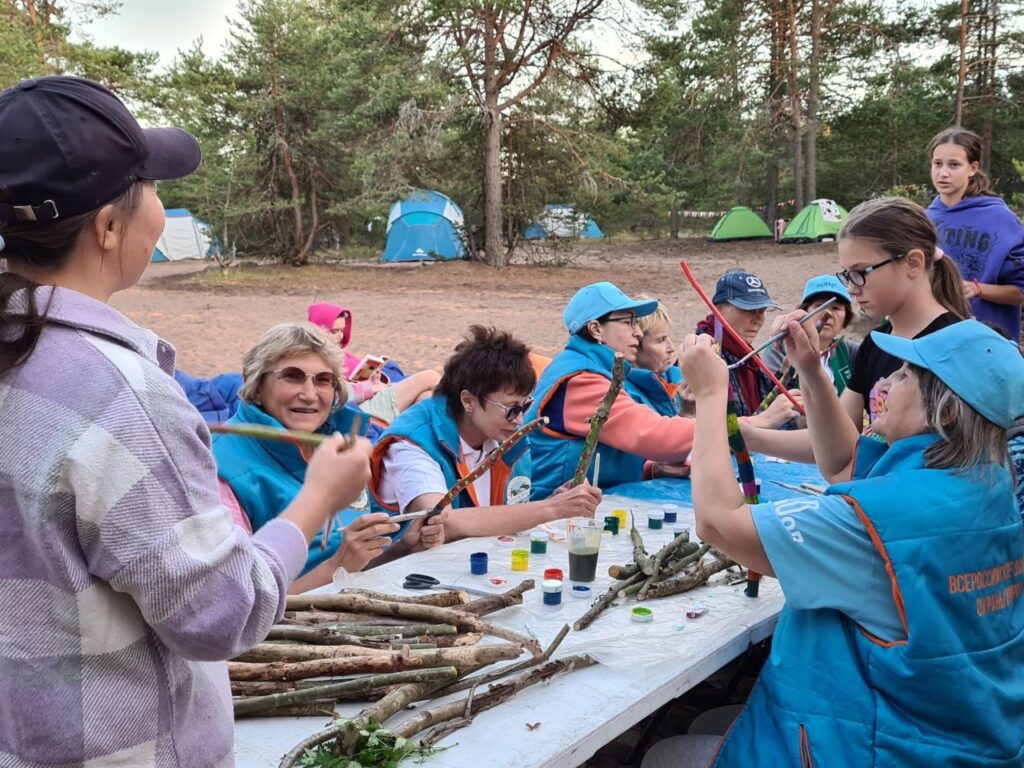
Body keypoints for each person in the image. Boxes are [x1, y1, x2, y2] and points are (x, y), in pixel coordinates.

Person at [0, 76, 373, 766]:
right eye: (152, 185)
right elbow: (219, 615)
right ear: (110, 226)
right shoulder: (120, 395)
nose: (162, 206)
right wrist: (318, 498)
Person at [654, 319, 1024, 767]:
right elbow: (844, 464)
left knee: (666, 753)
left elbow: (717, 524)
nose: (885, 382)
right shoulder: (988, 482)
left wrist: (711, 397)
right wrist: (810, 369)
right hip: (962, 731)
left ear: (944, 412)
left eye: (905, 375)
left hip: (883, 746)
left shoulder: (881, 519)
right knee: (709, 722)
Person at [213, 322, 444, 589]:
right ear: (256, 383)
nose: (310, 395)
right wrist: (337, 566)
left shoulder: (336, 446)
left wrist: (400, 546)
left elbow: (349, 561)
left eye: (323, 380)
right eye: (292, 376)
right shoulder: (220, 467)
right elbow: (236, 607)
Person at [743, 197, 971, 462]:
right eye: (847, 274)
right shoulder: (875, 344)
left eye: (861, 271)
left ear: (913, 263)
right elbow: (838, 443)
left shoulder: (959, 346)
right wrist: (744, 435)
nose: (851, 288)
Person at [370, 325, 602, 538]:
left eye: (525, 406)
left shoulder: (505, 437)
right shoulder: (412, 445)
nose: (520, 419)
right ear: (468, 401)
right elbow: (440, 523)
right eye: (511, 409)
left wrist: (555, 501)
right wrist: (550, 509)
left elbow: (500, 515)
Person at [526, 282, 698, 498]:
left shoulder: (596, 368)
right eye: (628, 322)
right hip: (548, 515)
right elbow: (653, 435)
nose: (637, 333)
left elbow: (601, 456)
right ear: (596, 329)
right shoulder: (581, 381)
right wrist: (735, 429)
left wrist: (650, 469)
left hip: (574, 503)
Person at [927, 127, 1024, 341]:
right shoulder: (925, 218)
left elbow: (1019, 293)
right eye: (937, 163)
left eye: (954, 165)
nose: (943, 173)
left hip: (989, 344)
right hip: (935, 341)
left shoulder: (1001, 220)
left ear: (972, 168)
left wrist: (977, 289)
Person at [695, 270, 801, 427]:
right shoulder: (703, 355)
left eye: (762, 311)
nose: (757, 320)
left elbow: (763, 404)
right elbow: (716, 427)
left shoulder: (745, 353)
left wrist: (788, 375)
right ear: (719, 309)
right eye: (748, 309)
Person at [308, 302, 440, 425]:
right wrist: (371, 388)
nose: (340, 336)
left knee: (427, 397)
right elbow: (334, 395)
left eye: (342, 330)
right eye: (334, 331)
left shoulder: (336, 354)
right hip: (360, 412)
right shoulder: (315, 360)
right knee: (430, 376)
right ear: (318, 330)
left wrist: (373, 380)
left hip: (365, 401)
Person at [763, 274, 860, 395]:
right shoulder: (778, 351)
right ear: (803, 312)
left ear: (846, 317)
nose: (828, 313)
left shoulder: (850, 351)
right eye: (819, 306)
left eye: (836, 308)